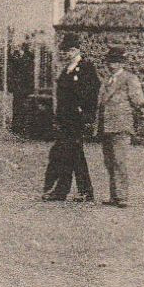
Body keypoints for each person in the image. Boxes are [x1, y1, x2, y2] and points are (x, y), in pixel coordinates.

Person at [43, 35, 99, 202]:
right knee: (72, 153)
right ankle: (75, 191)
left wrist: (85, 111)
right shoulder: (67, 69)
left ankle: (70, 191)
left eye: (68, 51)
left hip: (77, 119)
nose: (64, 54)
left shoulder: (86, 68)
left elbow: (93, 91)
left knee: (71, 152)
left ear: (76, 50)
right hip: (66, 119)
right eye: (63, 51)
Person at [95, 47, 144, 208]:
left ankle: (122, 196)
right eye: (110, 62)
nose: (112, 65)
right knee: (109, 161)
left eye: (116, 62)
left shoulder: (129, 79)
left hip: (121, 125)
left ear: (122, 63)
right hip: (106, 125)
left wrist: (143, 107)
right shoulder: (106, 80)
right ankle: (114, 196)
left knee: (119, 161)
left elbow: (138, 99)